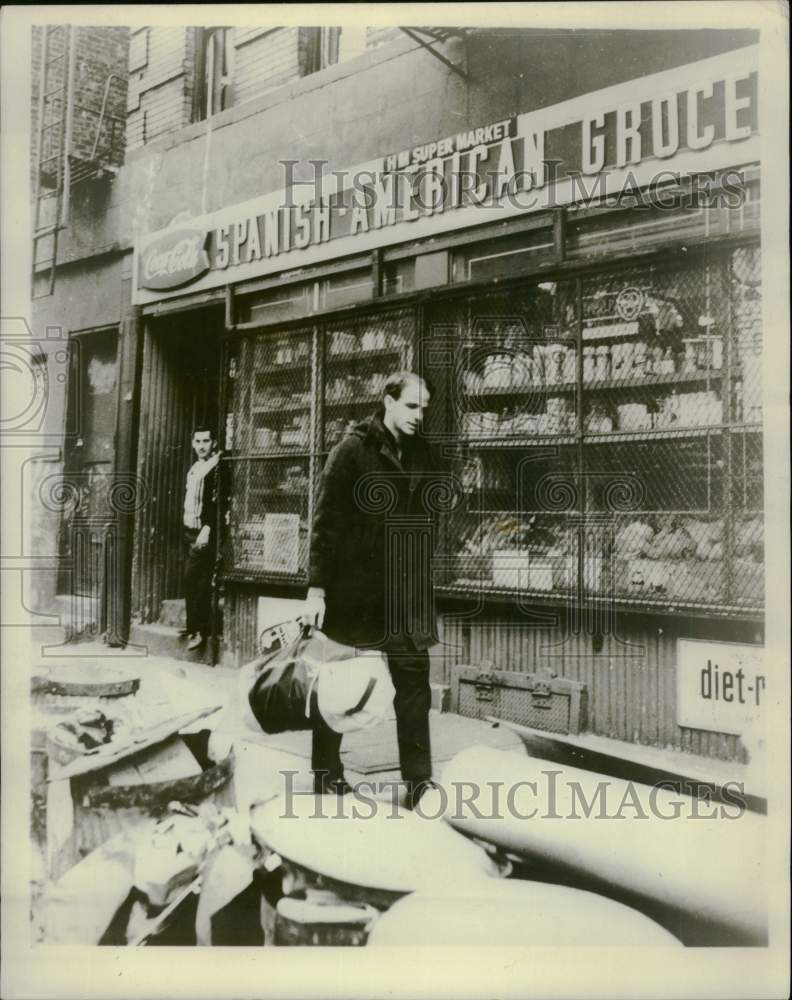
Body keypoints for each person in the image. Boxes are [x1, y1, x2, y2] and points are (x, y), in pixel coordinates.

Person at [304, 371, 440, 808]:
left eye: (425, 409)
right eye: (412, 407)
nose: (420, 416)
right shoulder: (351, 451)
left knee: (414, 683)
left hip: (405, 592)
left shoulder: (424, 455)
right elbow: (326, 523)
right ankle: (326, 772)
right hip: (354, 589)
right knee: (341, 680)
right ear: (388, 400)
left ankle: (418, 782)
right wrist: (317, 590)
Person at [182, 425, 221, 650]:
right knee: (194, 579)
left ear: (213, 442)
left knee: (196, 579)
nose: (201, 446)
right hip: (189, 530)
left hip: (202, 533)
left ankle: (198, 630)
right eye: (197, 441)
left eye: (205, 441)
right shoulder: (196, 467)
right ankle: (194, 627)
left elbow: (216, 502)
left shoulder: (216, 467)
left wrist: (207, 528)